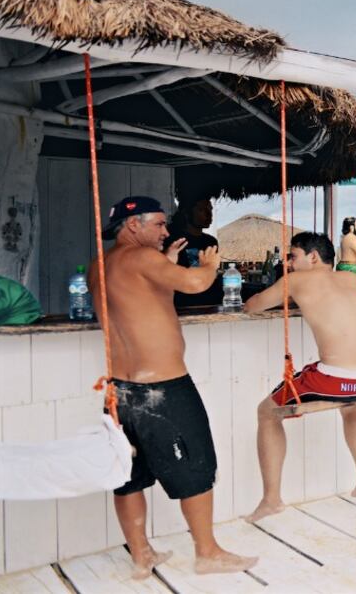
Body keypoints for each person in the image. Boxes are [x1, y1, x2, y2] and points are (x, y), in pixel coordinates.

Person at [87, 196, 256, 579]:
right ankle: (207, 553)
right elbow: (196, 285)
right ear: (133, 226)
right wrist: (209, 265)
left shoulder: (103, 263)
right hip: (162, 389)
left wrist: (168, 263)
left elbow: (145, 298)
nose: (166, 231)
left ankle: (142, 553)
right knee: (196, 466)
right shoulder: (141, 258)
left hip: (120, 392)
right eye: (159, 224)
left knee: (128, 475)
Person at [244, 232, 356, 522]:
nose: (288, 263)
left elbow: (252, 305)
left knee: (266, 412)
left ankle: (271, 499)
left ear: (312, 257)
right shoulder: (353, 279)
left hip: (341, 379)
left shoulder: (297, 281)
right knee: (351, 404)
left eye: (293, 256)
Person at [164, 197, 224, 309]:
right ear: (187, 213)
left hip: (211, 304)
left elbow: (213, 274)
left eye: (210, 209)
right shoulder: (174, 241)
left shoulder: (211, 241)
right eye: (201, 210)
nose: (208, 214)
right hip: (183, 306)